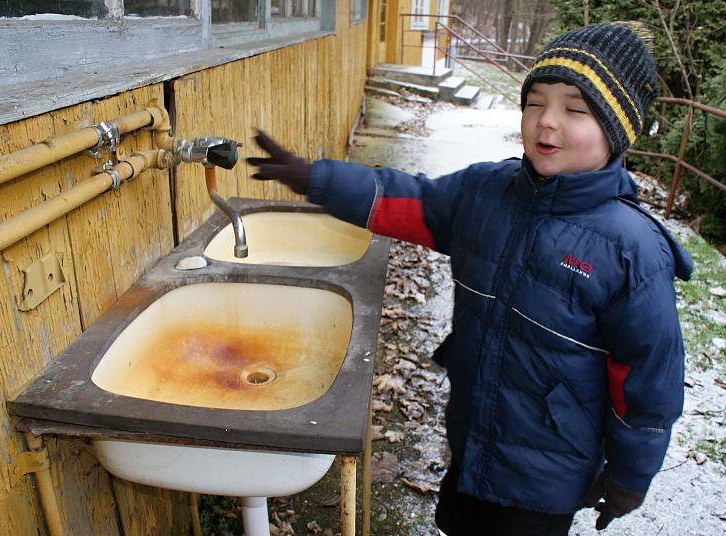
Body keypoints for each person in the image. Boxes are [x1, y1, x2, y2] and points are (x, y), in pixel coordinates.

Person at [247, 22, 693, 535]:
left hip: (545, 476)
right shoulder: (487, 192)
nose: (546, 123)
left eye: (575, 109)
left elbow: (647, 381)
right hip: (472, 439)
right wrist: (315, 178)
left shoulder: (632, 250)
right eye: (535, 102)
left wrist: (631, 475)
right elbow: (404, 198)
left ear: (617, 132)